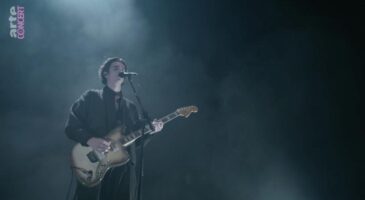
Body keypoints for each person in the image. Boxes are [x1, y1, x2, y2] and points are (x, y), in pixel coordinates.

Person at [65, 57, 163, 200]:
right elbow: (71, 125)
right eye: (116, 68)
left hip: (122, 169)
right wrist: (90, 139)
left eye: (123, 69)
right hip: (93, 165)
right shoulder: (91, 97)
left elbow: (136, 142)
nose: (121, 71)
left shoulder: (131, 107)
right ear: (105, 73)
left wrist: (151, 131)